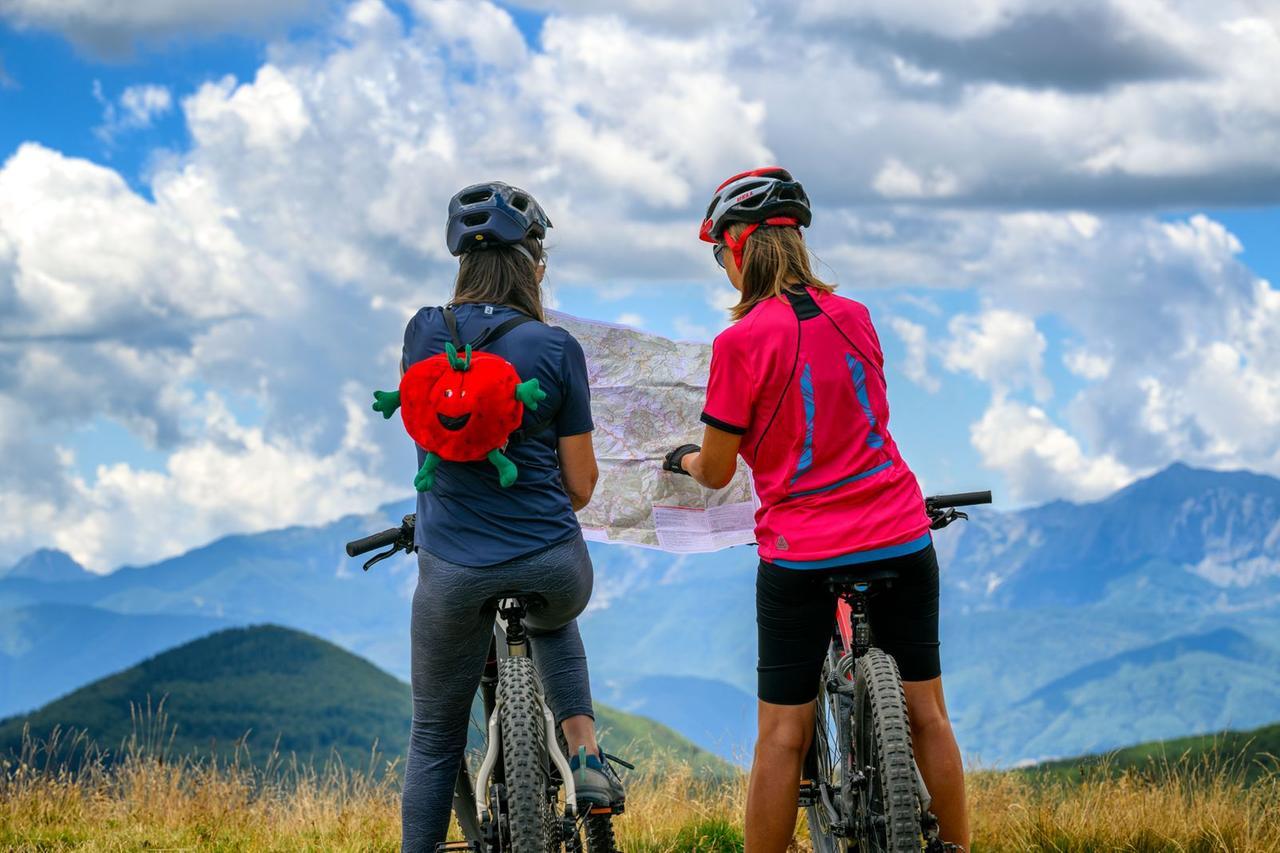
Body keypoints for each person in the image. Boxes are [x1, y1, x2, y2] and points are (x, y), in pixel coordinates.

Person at [663, 168, 969, 852]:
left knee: (782, 734)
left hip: (803, 553)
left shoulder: (738, 344)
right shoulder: (856, 317)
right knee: (929, 717)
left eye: (720, 256)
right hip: (899, 531)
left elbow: (716, 471)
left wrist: (683, 458)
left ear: (737, 251)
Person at [398, 181, 623, 852]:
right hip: (553, 561)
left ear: (462, 260)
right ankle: (583, 750)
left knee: (435, 738)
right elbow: (580, 484)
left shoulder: (422, 333)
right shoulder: (555, 350)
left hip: (451, 571)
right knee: (554, 615)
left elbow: (430, 440)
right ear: (534, 265)